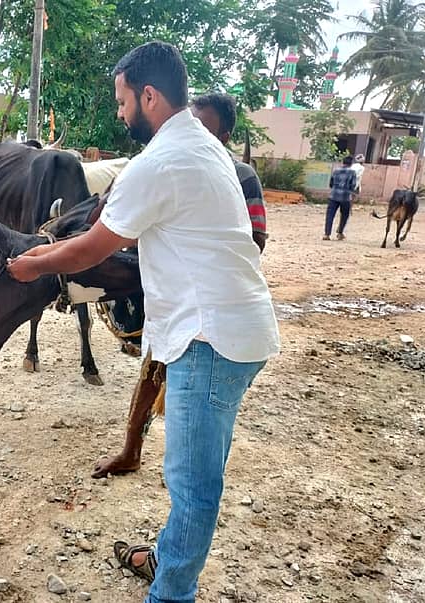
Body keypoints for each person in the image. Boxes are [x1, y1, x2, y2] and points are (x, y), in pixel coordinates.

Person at [7, 42, 280, 603]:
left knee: (193, 484)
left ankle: (170, 592)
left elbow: (91, 249)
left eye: (122, 100)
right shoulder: (205, 146)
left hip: (209, 340)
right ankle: (168, 559)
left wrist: (33, 260)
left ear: (148, 96)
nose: (119, 112)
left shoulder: (157, 163)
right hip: (235, 330)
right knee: (196, 472)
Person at [91, 92, 270, 481]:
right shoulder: (168, 161)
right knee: (150, 368)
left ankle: (185, 472)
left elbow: (256, 238)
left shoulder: (239, 175)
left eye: (204, 124)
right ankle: (132, 450)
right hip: (166, 293)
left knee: (192, 406)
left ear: (223, 135)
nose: (192, 129)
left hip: (203, 305)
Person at [190, 93, 268, 252]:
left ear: (223, 138)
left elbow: (257, 240)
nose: (190, 136)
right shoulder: (169, 170)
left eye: (201, 132)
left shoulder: (243, 176)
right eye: (188, 128)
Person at [325, 155, 358, 241]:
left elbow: (331, 183)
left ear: (343, 162)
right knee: (344, 215)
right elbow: (353, 185)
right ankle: (340, 233)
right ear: (351, 163)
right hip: (345, 197)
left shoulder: (335, 171)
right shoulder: (352, 172)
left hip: (333, 196)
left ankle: (327, 234)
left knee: (330, 215)